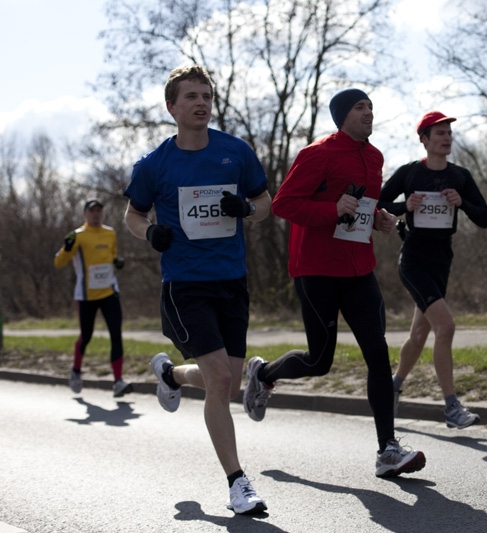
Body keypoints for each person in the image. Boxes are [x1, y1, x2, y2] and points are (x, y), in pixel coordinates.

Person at [242, 88, 426, 478]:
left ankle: (387, 450)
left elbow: (365, 206)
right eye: (360, 107)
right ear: (342, 115)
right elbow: (283, 204)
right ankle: (263, 374)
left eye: (371, 107)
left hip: (359, 269)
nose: (368, 112)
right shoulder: (317, 153)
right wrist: (332, 209)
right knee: (319, 361)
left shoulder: (374, 157)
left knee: (378, 354)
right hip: (316, 270)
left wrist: (379, 217)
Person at [123, 65, 272, 515]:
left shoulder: (235, 151)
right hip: (185, 285)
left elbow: (266, 203)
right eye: (191, 96)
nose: (201, 103)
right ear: (172, 106)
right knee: (222, 379)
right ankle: (237, 482)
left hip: (232, 280)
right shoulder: (154, 165)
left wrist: (246, 208)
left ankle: (171, 376)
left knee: (223, 382)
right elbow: (133, 215)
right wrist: (150, 233)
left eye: (206, 95)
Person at [378, 111, 487, 429]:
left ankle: (391, 388)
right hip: (414, 260)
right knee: (446, 327)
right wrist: (405, 207)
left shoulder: (460, 176)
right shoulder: (410, 173)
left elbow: (484, 217)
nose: (446, 138)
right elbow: (378, 203)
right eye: (439, 133)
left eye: (449, 133)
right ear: (424, 139)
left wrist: (462, 202)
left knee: (418, 335)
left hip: (443, 261)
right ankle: (452, 407)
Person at [54, 199, 132, 398]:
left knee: (116, 334)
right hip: (86, 295)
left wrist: (117, 262)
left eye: (99, 211)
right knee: (86, 336)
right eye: (92, 211)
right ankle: (76, 371)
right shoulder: (77, 236)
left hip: (109, 292)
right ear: (84, 214)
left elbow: (112, 256)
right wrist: (66, 248)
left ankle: (118, 382)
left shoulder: (110, 233)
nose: (96, 214)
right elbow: (59, 263)